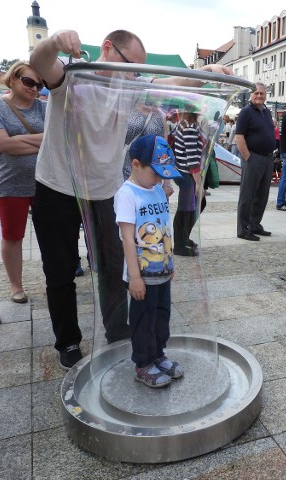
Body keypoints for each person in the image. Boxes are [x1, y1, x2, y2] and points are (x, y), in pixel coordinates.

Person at [30, 28, 231, 369]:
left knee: (112, 265)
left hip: (106, 189)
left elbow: (173, 87)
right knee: (60, 271)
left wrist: (208, 72)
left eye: (138, 69)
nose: (133, 74)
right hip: (57, 186)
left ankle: (117, 329)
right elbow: (39, 62)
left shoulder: (128, 87)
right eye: (130, 65)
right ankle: (68, 341)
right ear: (107, 49)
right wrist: (53, 41)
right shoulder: (73, 76)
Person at [114, 134, 184, 387]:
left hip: (162, 270)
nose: (160, 178)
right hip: (141, 274)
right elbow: (127, 238)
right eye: (155, 172)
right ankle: (143, 363)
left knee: (161, 316)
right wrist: (134, 277)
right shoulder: (126, 194)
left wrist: (170, 263)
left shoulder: (156, 188)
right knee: (144, 320)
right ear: (135, 164)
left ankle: (158, 354)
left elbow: (164, 227)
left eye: (163, 173)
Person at [0, 61, 47, 304]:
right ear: (14, 79)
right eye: (29, 81)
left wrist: (18, 138)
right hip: (10, 183)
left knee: (50, 235)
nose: (34, 88)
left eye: (38, 84)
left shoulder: (43, 108)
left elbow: (55, 140)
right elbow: (1, 145)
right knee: (12, 236)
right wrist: (36, 142)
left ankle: (54, 279)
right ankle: (15, 285)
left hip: (44, 182)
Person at [235, 83, 275, 241]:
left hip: (267, 158)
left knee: (262, 195)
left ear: (266, 95)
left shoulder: (266, 111)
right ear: (251, 95)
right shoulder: (246, 112)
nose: (259, 96)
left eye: (262, 93)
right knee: (247, 195)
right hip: (254, 157)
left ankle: (255, 224)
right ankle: (243, 229)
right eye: (256, 93)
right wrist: (248, 157)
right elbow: (239, 137)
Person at [172, 110, 204, 255]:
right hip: (186, 173)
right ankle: (179, 245)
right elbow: (192, 158)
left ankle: (183, 238)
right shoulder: (190, 126)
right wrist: (199, 183)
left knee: (190, 206)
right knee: (186, 209)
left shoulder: (186, 123)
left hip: (182, 171)